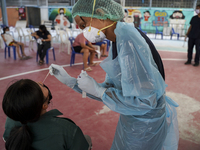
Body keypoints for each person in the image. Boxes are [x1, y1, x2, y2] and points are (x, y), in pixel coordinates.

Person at [49, 0, 179, 150]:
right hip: (133, 119)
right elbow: (112, 89)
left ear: (101, 14)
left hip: (145, 126)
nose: (83, 31)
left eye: (84, 24)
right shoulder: (118, 39)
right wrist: (71, 81)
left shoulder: (128, 40)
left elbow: (145, 102)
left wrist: (99, 90)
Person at [2, 79, 92, 150]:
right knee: (87, 139)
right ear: (44, 105)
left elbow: (6, 138)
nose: (41, 82)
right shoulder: (67, 130)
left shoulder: (12, 119)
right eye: (41, 87)